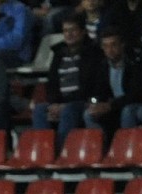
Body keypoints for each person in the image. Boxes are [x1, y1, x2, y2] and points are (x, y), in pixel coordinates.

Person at [32, 12, 103, 150]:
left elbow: (90, 85)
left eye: (73, 30)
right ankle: (43, 152)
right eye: (65, 31)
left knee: (69, 110)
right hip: (61, 103)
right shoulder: (58, 54)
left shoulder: (93, 53)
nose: (69, 34)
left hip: (84, 101)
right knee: (40, 110)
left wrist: (64, 105)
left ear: (83, 32)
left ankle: (62, 151)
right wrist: (54, 103)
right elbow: (52, 83)